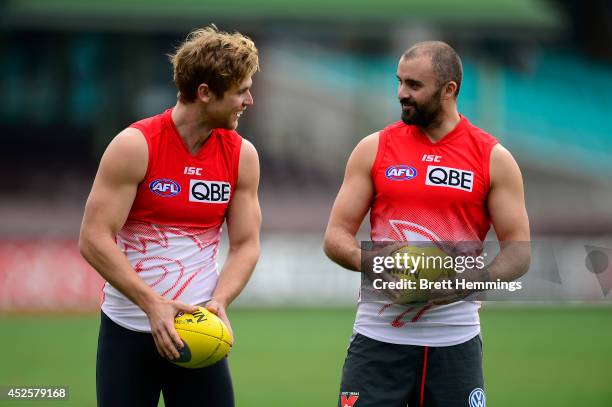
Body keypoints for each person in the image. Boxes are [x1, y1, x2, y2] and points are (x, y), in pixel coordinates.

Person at [324, 41, 531, 407]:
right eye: (400, 82)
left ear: (449, 90)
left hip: (455, 342)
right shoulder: (373, 149)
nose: (402, 93)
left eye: (415, 86)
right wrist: (378, 264)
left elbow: (518, 252)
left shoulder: (493, 158)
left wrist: (462, 284)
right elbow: (335, 237)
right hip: (378, 339)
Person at [79, 25, 261, 407]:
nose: (250, 100)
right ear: (206, 93)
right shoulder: (135, 146)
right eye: (242, 90)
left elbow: (246, 244)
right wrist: (152, 304)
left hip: (199, 333)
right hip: (128, 331)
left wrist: (220, 301)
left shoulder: (242, 155)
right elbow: (93, 239)